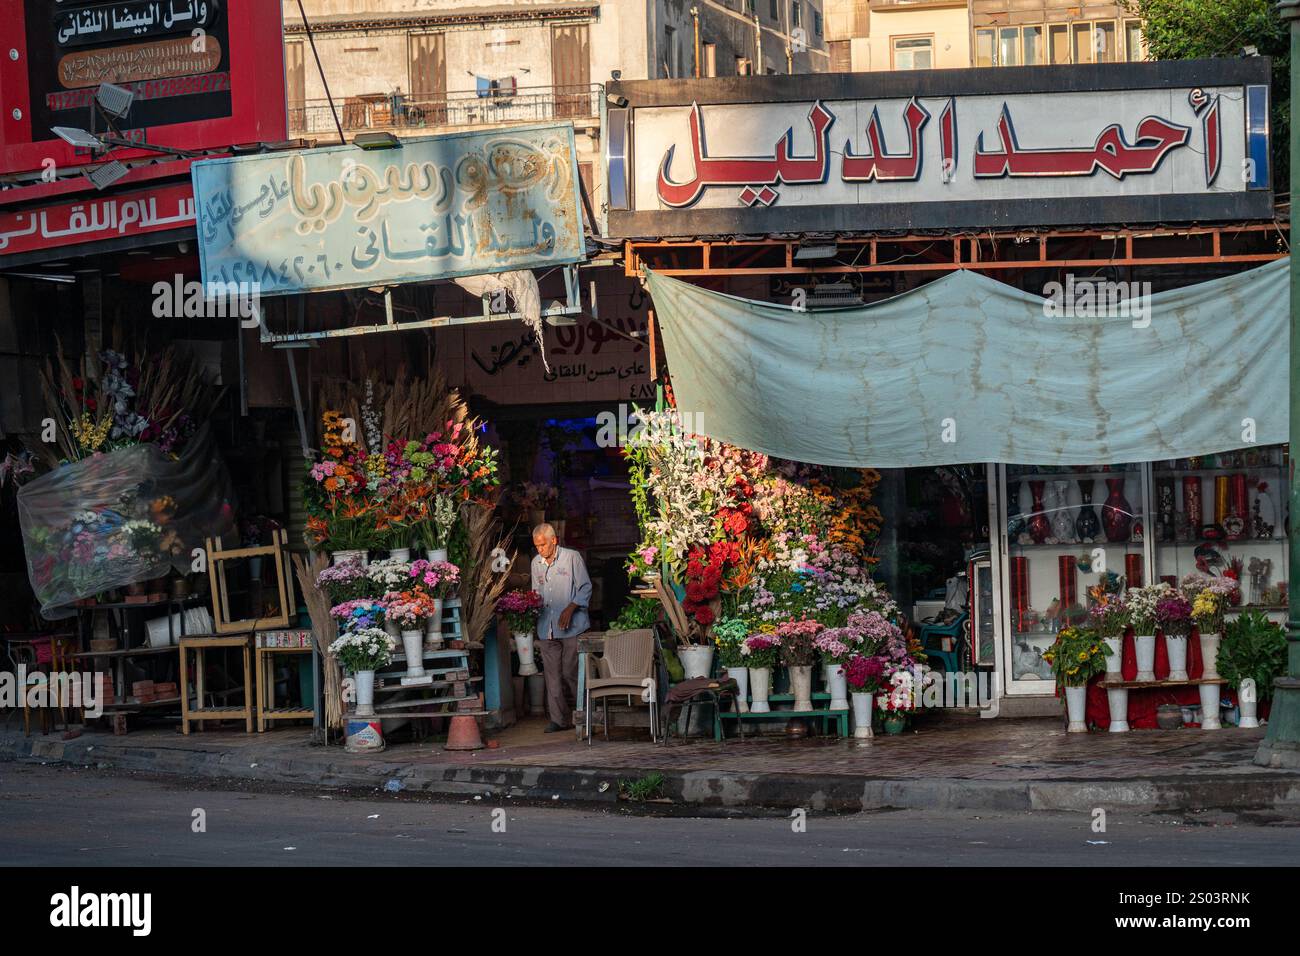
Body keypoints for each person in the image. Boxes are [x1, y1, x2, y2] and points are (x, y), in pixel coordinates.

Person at [530, 523, 591, 732]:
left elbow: (585, 587)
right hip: (546, 627)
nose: (540, 549)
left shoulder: (572, 557)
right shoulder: (535, 563)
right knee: (552, 676)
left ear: (554, 540)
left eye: (543, 545)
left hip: (572, 627)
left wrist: (571, 608)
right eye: (536, 546)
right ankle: (559, 719)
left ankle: (585, 714)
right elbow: (535, 593)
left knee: (570, 672)